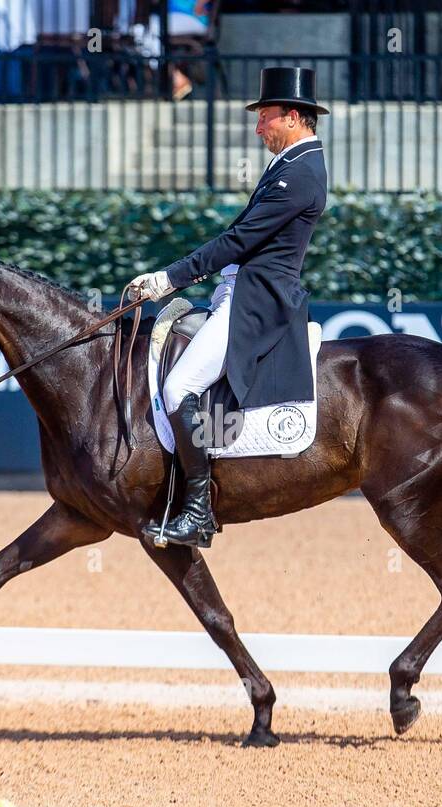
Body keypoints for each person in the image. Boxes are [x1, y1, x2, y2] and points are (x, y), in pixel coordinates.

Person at [127, 66, 329, 549]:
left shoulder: (300, 172)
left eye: (266, 118)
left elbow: (239, 240)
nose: (259, 128)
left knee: (180, 386)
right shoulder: (287, 164)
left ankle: (197, 512)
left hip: (257, 300)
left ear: (294, 118)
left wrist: (168, 278)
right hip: (238, 292)